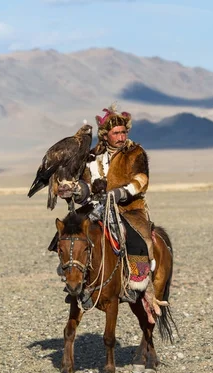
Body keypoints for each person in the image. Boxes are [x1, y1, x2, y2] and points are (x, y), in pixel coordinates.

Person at [64, 103, 163, 315]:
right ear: (105, 135)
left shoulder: (135, 152)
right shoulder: (92, 156)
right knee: (69, 229)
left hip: (129, 208)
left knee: (138, 239)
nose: (120, 136)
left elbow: (141, 179)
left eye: (123, 132)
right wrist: (75, 190)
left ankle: (137, 285)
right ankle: (73, 276)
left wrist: (121, 192)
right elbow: (85, 183)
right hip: (97, 205)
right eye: (115, 133)